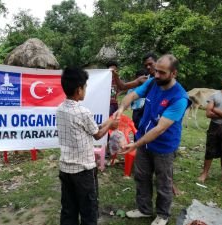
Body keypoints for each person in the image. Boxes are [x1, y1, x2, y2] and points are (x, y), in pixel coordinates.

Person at [114, 54, 190, 225]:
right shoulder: (152, 82)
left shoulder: (179, 98)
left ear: (173, 73)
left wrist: (135, 144)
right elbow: (132, 96)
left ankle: (163, 215)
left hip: (163, 146)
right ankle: (144, 209)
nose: (156, 75)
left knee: (163, 182)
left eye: (162, 73)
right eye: (156, 71)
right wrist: (121, 108)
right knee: (141, 176)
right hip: (143, 140)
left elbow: (160, 129)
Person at [56, 67, 115, 225]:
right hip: (83, 171)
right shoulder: (82, 112)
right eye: (85, 87)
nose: (86, 90)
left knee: (69, 209)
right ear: (78, 90)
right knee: (89, 210)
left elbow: (92, 128)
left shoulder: (60, 109)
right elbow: (97, 134)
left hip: (66, 169)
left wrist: (109, 121)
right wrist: (111, 124)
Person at [198, 72, 222, 186]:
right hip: (215, 126)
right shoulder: (214, 95)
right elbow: (208, 113)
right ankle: (204, 173)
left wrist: (216, 110)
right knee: (210, 150)